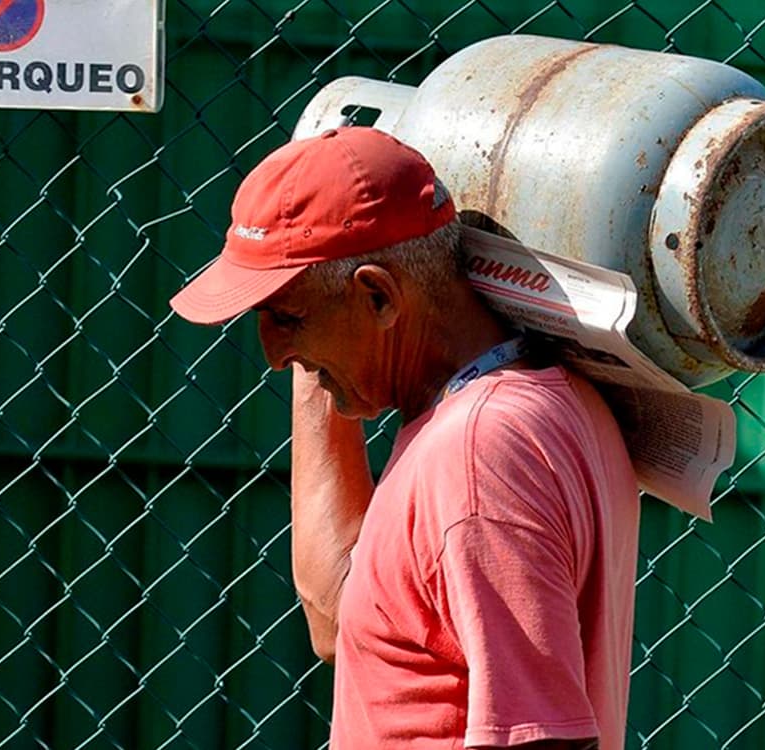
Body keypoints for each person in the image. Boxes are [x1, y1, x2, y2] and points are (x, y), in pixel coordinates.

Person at [170, 126, 640, 750]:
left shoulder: (478, 452)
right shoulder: (517, 405)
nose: (273, 355)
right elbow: (346, 621)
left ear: (378, 296)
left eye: (285, 318)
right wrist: (316, 352)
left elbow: (541, 739)